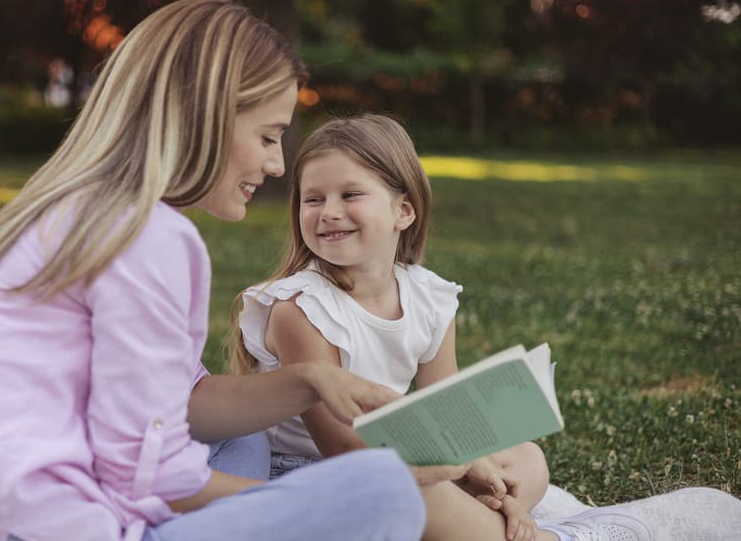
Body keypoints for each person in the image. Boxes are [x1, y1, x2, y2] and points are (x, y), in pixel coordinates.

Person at [0, 1, 456, 540]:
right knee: (383, 493)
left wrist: (311, 381)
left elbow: (184, 407)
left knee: (247, 440)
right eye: (267, 135)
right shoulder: (148, 238)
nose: (276, 163)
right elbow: (153, 477)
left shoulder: (80, 214)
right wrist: (318, 498)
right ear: (204, 115)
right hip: (42, 527)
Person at [230, 114, 654, 541]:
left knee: (527, 459)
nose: (329, 213)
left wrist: (472, 464)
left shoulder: (427, 296)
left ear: (404, 210)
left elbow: (447, 411)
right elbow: (341, 448)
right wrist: (457, 470)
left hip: (396, 454)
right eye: (313, 199)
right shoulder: (300, 310)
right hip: (312, 470)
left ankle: (490, 516)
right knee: (418, 492)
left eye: (350, 194)